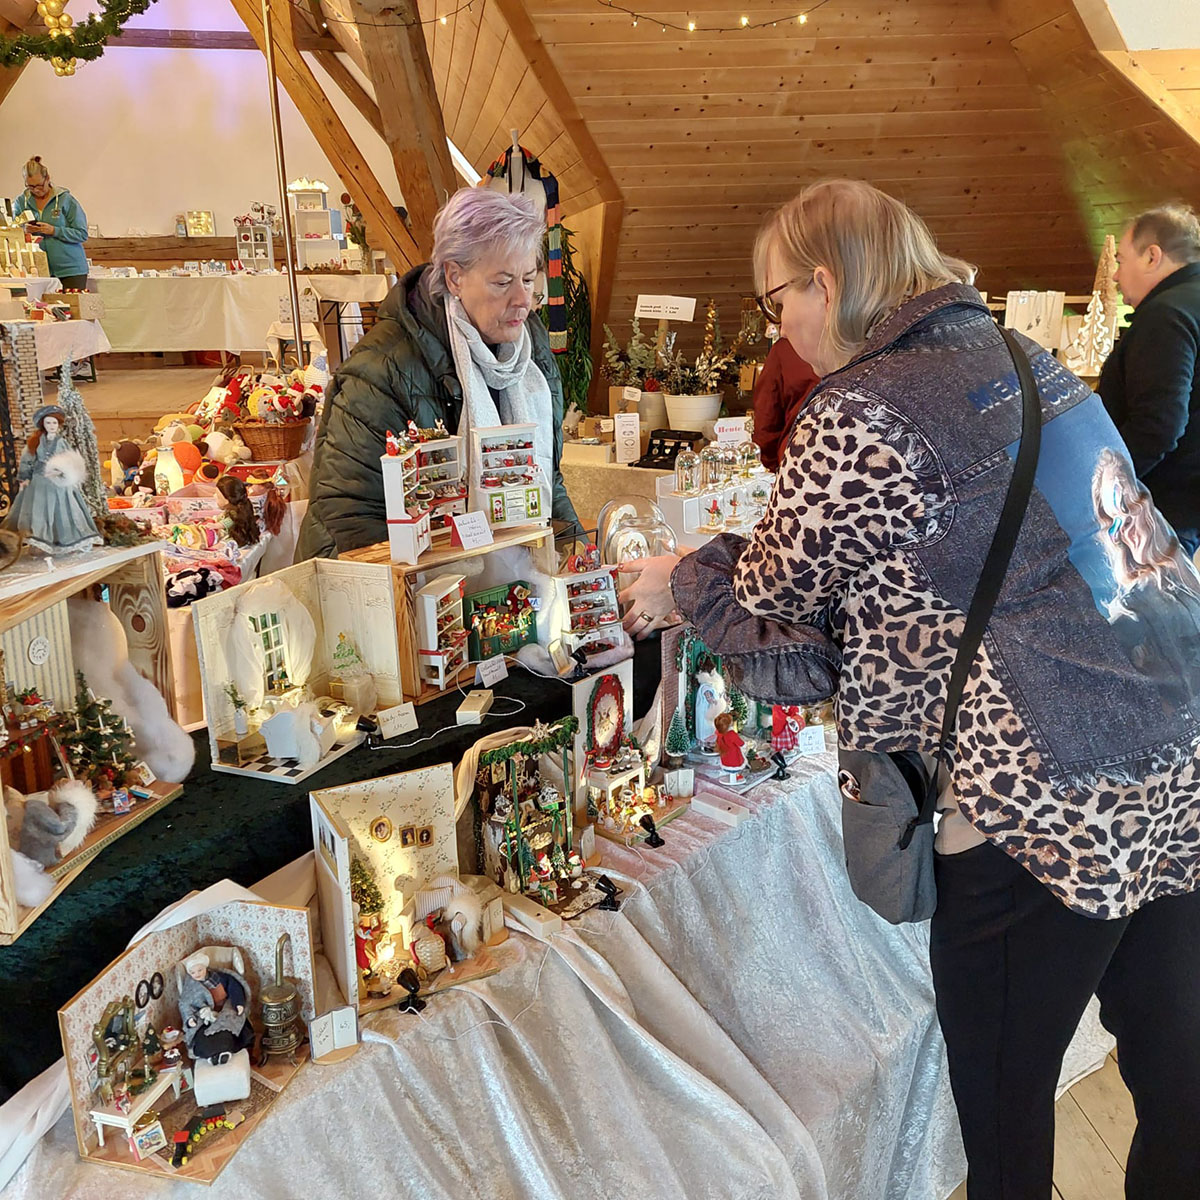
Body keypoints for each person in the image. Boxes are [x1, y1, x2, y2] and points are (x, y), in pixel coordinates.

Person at [622, 179, 1200, 1199]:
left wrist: (684, 577)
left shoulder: (859, 409)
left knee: (1003, 1107)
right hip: (1178, 735)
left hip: (1042, 799)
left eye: (776, 303)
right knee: (1181, 1080)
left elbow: (772, 595)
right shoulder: (1023, 357)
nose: (780, 332)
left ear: (826, 282)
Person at [297, 188, 578, 560]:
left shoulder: (530, 351)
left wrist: (579, 558)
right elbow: (349, 520)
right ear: (455, 277)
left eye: (528, 280)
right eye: (502, 282)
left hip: (492, 574)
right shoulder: (380, 371)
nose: (522, 300)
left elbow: (543, 479)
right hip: (394, 578)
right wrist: (455, 586)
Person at [1099, 204, 1200, 554]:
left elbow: (1158, 426)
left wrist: (1103, 493)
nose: (1115, 275)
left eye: (1121, 260)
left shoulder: (1165, 314)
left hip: (1161, 503)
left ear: (1152, 256)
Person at [2, 404, 100, 554]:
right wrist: (25, 477)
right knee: (38, 512)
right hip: (39, 483)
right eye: (48, 423)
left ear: (58, 425)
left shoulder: (62, 442)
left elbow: (70, 460)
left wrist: (62, 471)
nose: (52, 426)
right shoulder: (36, 442)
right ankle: (38, 541)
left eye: (54, 423)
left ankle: (62, 539)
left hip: (57, 483)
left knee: (62, 510)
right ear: (43, 424)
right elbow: (27, 460)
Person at [15, 156, 89, 290]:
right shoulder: (21, 202)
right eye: (30, 186)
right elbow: (13, 231)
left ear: (47, 178)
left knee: (72, 304)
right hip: (37, 272)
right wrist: (24, 230)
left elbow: (82, 234)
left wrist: (54, 231)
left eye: (39, 185)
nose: (36, 190)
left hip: (70, 270)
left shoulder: (66, 200)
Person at [750, 337, 819, 472]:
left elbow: (767, 416)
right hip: (854, 461)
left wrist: (771, 466)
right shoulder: (858, 345)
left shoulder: (787, 348)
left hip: (796, 460)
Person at [179, 951, 255, 1066]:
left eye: (200, 970)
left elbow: (234, 986)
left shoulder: (219, 977)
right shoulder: (190, 986)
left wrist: (238, 1003)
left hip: (224, 1009)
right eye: (193, 972)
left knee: (228, 1028)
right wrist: (190, 1018)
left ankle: (225, 1052)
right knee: (203, 1036)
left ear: (205, 967)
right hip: (204, 1016)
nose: (197, 974)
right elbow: (185, 1003)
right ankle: (211, 1056)